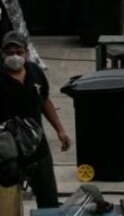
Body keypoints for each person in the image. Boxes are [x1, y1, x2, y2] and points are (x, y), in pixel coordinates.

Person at [0, 31, 70, 208]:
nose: (14, 56)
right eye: (9, 52)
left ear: (26, 52)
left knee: (49, 201)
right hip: (8, 154)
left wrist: (60, 130)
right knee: (7, 205)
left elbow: (45, 101)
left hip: (38, 148)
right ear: (2, 53)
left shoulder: (35, 72)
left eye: (18, 51)